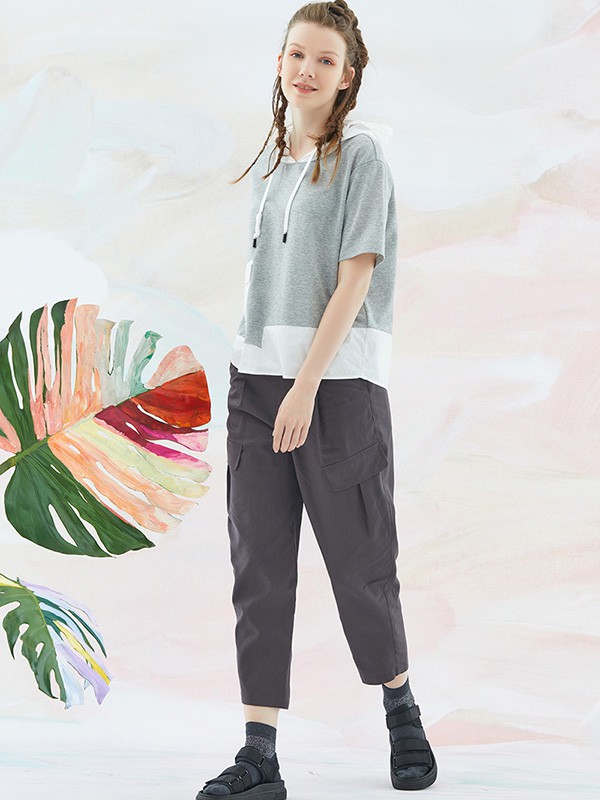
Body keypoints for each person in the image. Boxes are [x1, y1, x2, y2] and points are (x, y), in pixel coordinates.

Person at [197, 2, 437, 796]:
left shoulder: (364, 157)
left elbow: (355, 277)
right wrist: (259, 379)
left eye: (325, 60)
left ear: (348, 76)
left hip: (336, 388)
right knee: (259, 570)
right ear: (280, 62)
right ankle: (259, 754)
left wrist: (304, 386)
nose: (307, 69)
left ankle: (401, 710)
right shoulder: (274, 163)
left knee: (361, 562)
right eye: (296, 54)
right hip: (255, 385)